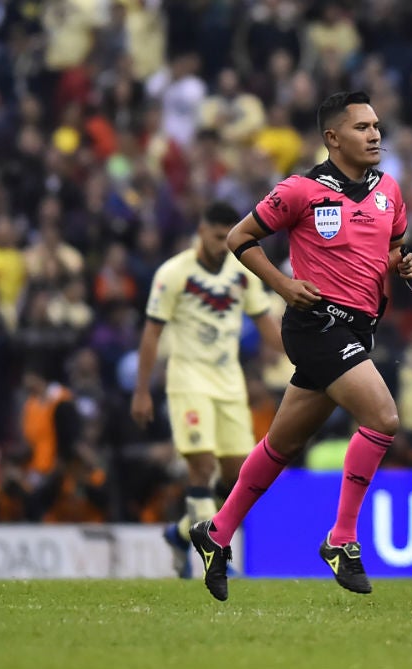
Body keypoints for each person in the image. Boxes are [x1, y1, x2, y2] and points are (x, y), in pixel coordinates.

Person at [188, 90, 412, 601]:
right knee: (383, 418)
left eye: (377, 125)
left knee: (282, 445)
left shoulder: (389, 191)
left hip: (358, 329)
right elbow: (240, 238)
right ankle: (342, 539)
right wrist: (284, 286)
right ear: (332, 138)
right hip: (315, 323)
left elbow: (393, 246)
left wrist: (401, 264)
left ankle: (216, 533)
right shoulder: (300, 190)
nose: (375, 134)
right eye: (362, 127)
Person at [131, 201, 283, 579]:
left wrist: (302, 354)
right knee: (200, 467)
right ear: (202, 231)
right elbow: (151, 332)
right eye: (218, 237)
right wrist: (142, 390)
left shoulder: (242, 273)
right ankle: (215, 557)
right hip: (187, 381)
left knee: (236, 478)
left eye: (229, 238)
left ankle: (182, 534)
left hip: (229, 383)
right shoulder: (174, 273)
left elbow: (266, 323)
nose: (223, 245)